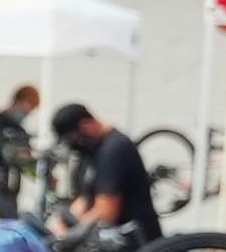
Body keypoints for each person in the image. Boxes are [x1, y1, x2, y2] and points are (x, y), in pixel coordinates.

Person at [48, 100, 160, 244]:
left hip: (136, 247)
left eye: (74, 139)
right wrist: (60, 224)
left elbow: (106, 213)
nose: (75, 145)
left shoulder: (114, 150)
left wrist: (70, 235)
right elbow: (85, 199)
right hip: (114, 244)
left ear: (86, 125)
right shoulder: (92, 152)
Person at [0, 84, 42, 208]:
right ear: (17, 101)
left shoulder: (21, 131)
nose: (28, 113)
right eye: (27, 108)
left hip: (11, 196)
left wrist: (42, 175)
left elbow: (28, 164)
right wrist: (17, 153)